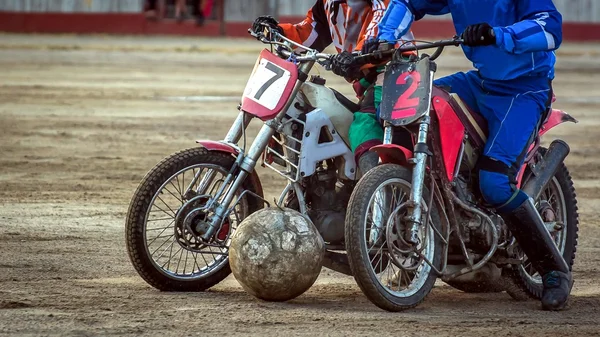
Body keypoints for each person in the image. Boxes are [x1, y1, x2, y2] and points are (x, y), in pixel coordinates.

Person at [369, 0, 570, 311]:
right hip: (481, 82)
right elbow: (409, 2)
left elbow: (550, 27)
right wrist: (385, 36)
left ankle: (554, 271)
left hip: (524, 91)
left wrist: (498, 34)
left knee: (494, 183)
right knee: (410, 106)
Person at [252, 0, 415, 177]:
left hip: (395, 69)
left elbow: (382, 18)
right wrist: (279, 32)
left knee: (364, 124)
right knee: (308, 109)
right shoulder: (328, 3)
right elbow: (312, 31)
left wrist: (356, 54)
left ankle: (377, 189)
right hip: (367, 76)